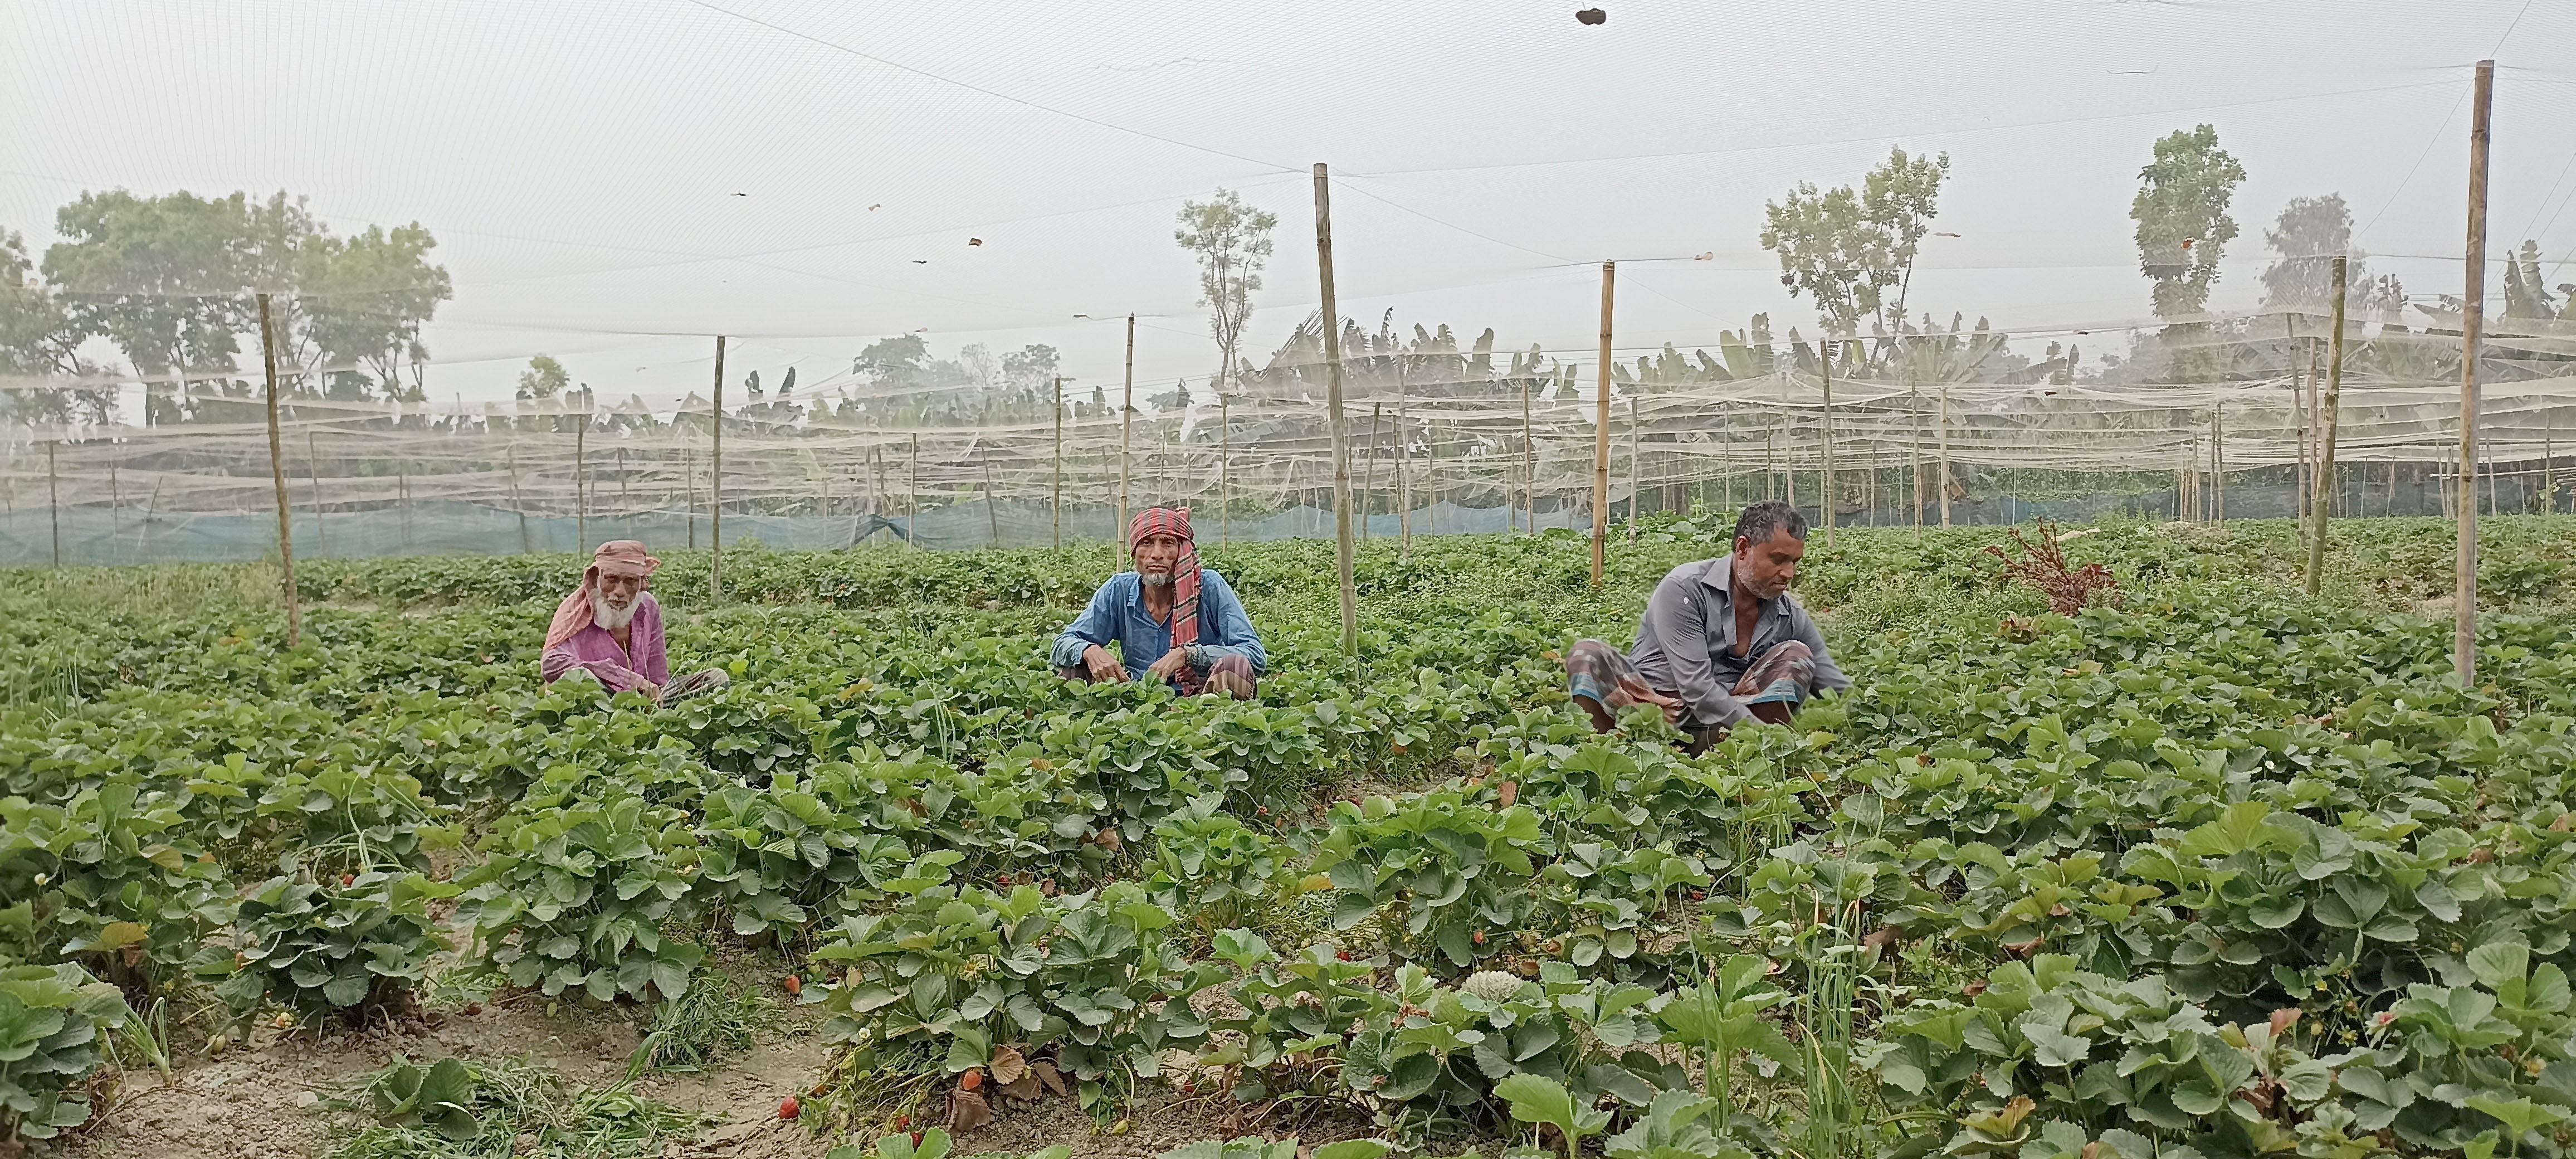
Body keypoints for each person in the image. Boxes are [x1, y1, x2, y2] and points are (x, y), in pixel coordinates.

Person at [1565, 500, 1847, 752]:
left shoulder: (1788, 612)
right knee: (1586, 655)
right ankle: (1607, 754)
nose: (1788, 573)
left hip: (1724, 728)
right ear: (1743, 548)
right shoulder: (1685, 589)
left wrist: (1869, 722)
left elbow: (1831, 682)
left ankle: (1745, 761)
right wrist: (1762, 735)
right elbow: (1696, 687)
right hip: (1648, 716)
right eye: (1778, 560)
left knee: (1797, 656)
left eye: (1795, 562)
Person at [1052, 507, 1265, 700]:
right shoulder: (1119, 589)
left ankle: (1220, 738)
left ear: (1183, 552)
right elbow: (1062, 643)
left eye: (1168, 543)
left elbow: (1254, 654)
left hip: (1200, 701)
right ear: (1135, 552)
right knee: (1075, 667)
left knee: (1234, 667)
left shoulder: (1208, 586)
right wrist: (1089, 650)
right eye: (1146, 543)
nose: (1156, 555)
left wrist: (1189, 654)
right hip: (1136, 699)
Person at [539, 540, 730, 704]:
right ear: (597, 578)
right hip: (601, 701)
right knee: (582, 679)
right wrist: (625, 679)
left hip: (643, 699)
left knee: (716, 679)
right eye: (611, 579)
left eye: (631, 581)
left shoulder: (648, 606)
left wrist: (655, 697)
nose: (620, 591)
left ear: (641, 583)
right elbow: (551, 663)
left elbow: (657, 673)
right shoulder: (577, 610)